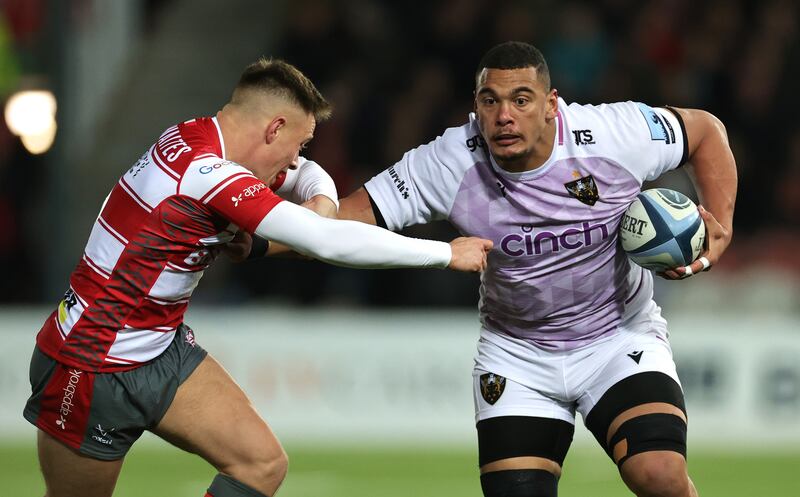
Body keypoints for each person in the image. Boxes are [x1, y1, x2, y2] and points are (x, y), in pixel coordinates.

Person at [23, 57, 492, 497]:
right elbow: (326, 243)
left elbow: (308, 177)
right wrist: (442, 253)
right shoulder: (207, 173)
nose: (294, 161)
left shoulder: (197, 135)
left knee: (261, 464)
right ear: (274, 129)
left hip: (159, 348)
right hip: (89, 363)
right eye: (299, 144)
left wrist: (324, 205)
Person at [337, 41, 737, 497]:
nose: (504, 115)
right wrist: (267, 227)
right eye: (491, 101)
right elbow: (343, 220)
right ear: (476, 107)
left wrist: (720, 227)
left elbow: (705, 131)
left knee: (659, 474)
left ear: (551, 105)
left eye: (521, 100)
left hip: (617, 337)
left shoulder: (612, 134)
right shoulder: (447, 162)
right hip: (517, 355)